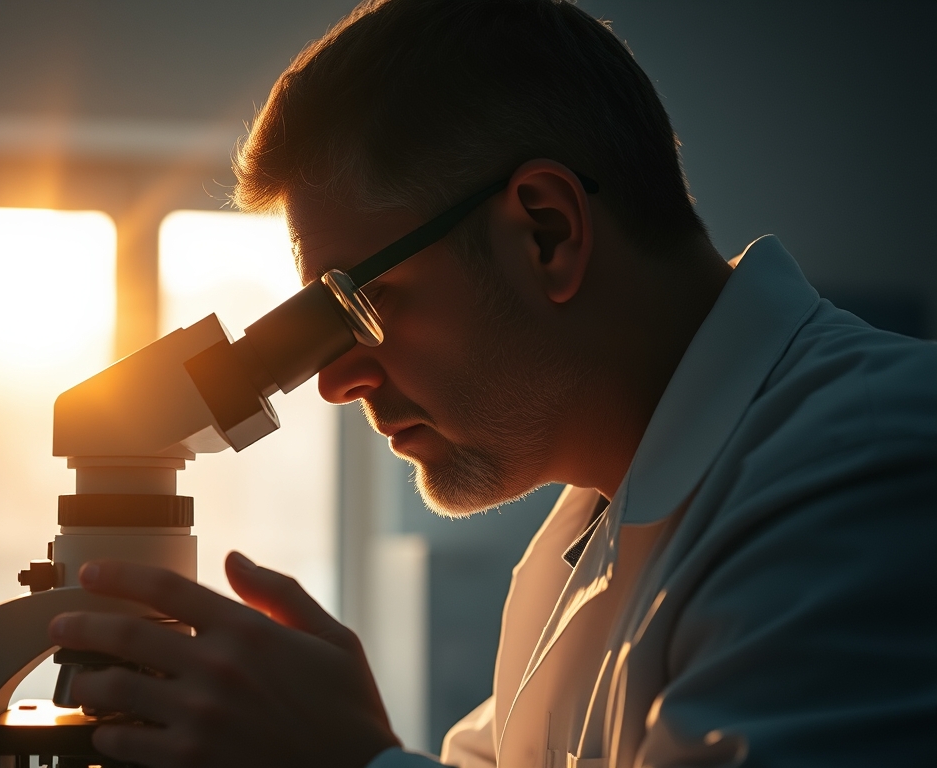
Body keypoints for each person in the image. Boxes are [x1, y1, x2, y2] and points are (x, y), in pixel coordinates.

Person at [47, 0, 937, 765]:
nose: (336, 382)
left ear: (545, 232)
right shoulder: (581, 542)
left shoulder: (869, 468)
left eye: (357, 303)